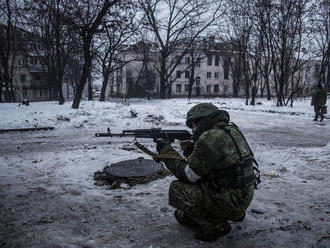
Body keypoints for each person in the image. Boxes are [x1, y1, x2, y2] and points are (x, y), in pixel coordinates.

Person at [155, 103, 260, 242]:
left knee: (177, 188)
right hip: (243, 195)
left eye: (192, 125)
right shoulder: (232, 130)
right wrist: (192, 150)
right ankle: (232, 213)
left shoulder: (209, 138)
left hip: (231, 200)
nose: (192, 130)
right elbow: (219, 161)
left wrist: (166, 152)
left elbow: (189, 175)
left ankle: (215, 225)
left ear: (201, 121)